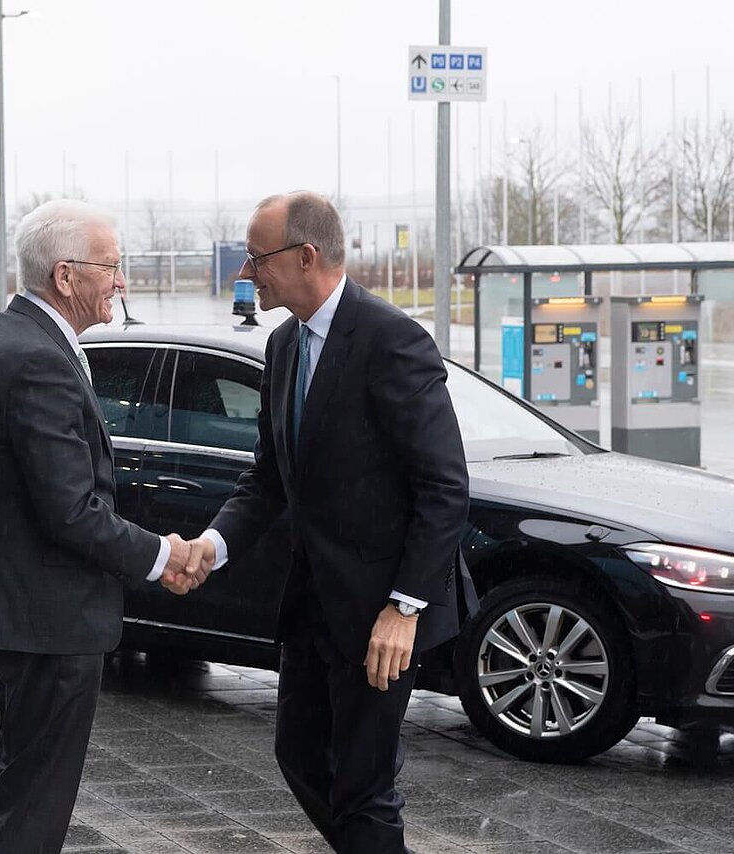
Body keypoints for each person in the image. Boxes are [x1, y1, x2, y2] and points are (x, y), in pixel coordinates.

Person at [184, 192, 472, 853]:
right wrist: (212, 545)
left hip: (381, 613)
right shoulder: (283, 345)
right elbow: (268, 478)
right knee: (301, 756)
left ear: (306, 256)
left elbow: (444, 486)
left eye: (257, 258)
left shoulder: (390, 339)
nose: (247, 273)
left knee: (362, 788)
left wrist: (405, 607)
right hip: (312, 607)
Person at [0, 199, 197, 852]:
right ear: (65, 275)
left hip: (24, 611)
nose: (121, 280)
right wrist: (162, 556)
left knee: (24, 789)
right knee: (35, 808)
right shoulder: (37, 358)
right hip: (46, 620)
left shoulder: (8, 339)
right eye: (110, 267)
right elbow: (69, 510)